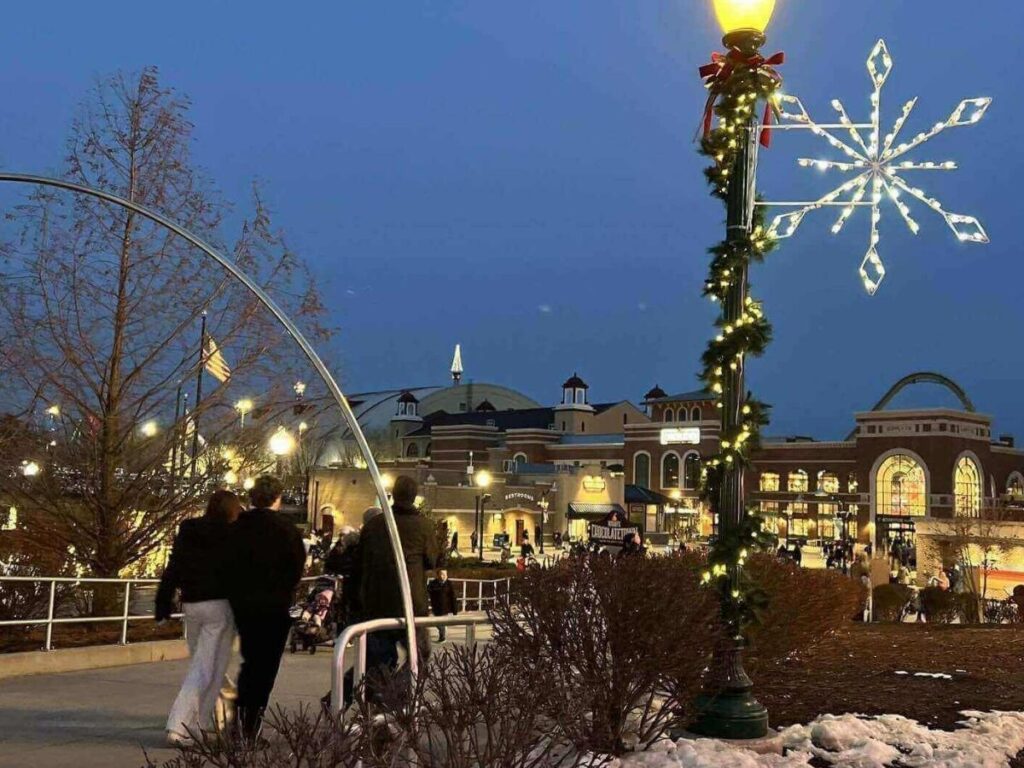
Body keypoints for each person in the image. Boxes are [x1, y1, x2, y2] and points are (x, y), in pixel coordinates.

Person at [156, 490, 242, 746]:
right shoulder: (234, 534)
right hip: (220, 606)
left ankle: (198, 723)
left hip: (192, 603)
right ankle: (179, 725)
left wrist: (163, 602)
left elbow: (174, 566)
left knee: (206, 666)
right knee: (207, 669)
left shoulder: (189, 529)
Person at [224, 475, 306, 741]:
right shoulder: (288, 531)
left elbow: (227, 565)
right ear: (277, 498)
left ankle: (240, 719)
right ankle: (250, 724)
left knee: (250, 663)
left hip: (244, 605)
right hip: (274, 606)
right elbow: (295, 569)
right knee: (265, 668)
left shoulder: (238, 528)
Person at [359, 475, 440, 699]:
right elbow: (432, 560)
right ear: (414, 496)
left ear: (393, 494)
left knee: (378, 661)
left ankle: (374, 705)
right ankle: (393, 697)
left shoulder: (375, 524)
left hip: (377, 601)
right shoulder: (423, 526)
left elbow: (360, 559)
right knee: (420, 655)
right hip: (411, 603)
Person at [427, 569, 459, 642]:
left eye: (445, 574)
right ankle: (443, 630)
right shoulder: (433, 583)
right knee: (436, 622)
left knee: (441, 622)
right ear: (438, 575)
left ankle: (442, 637)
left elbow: (453, 597)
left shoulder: (449, 584)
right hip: (436, 606)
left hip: (445, 607)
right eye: (442, 574)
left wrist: (455, 610)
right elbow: (427, 591)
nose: (443, 576)